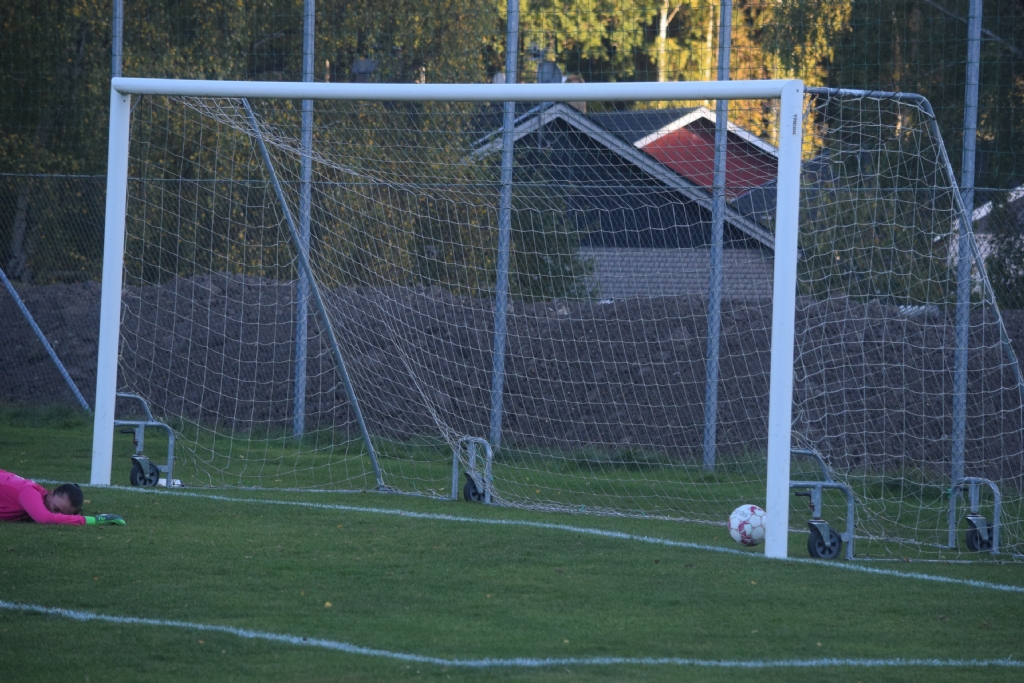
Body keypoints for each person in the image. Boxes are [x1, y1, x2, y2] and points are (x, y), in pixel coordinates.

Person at [0, 468, 125, 526]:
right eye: (55, 509)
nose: (54, 514)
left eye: (61, 514)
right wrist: (94, 520)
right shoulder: (29, 492)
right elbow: (44, 518)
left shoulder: (38, 496)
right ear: (51, 493)